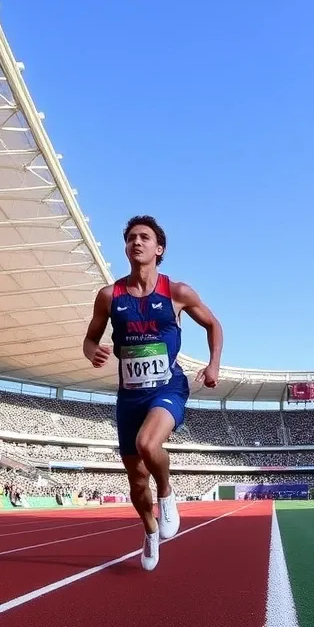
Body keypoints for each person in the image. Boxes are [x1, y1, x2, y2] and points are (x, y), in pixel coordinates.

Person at [82, 215, 222, 571]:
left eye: (144, 237)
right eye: (131, 238)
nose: (137, 242)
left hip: (168, 386)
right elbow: (90, 338)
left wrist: (213, 365)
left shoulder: (177, 292)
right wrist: (91, 351)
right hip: (129, 396)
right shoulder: (109, 296)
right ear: (126, 248)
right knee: (135, 478)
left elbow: (213, 324)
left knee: (149, 444)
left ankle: (168, 494)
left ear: (159, 249)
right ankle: (149, 530)